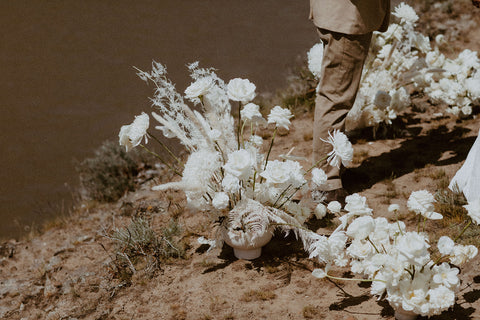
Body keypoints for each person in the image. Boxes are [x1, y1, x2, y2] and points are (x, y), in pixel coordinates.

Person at [309, 0, 390, 202]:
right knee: (335, 98)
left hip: (336, 13)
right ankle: (327, 182)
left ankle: (334, 169)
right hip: (346, 17)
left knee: (335, 95)